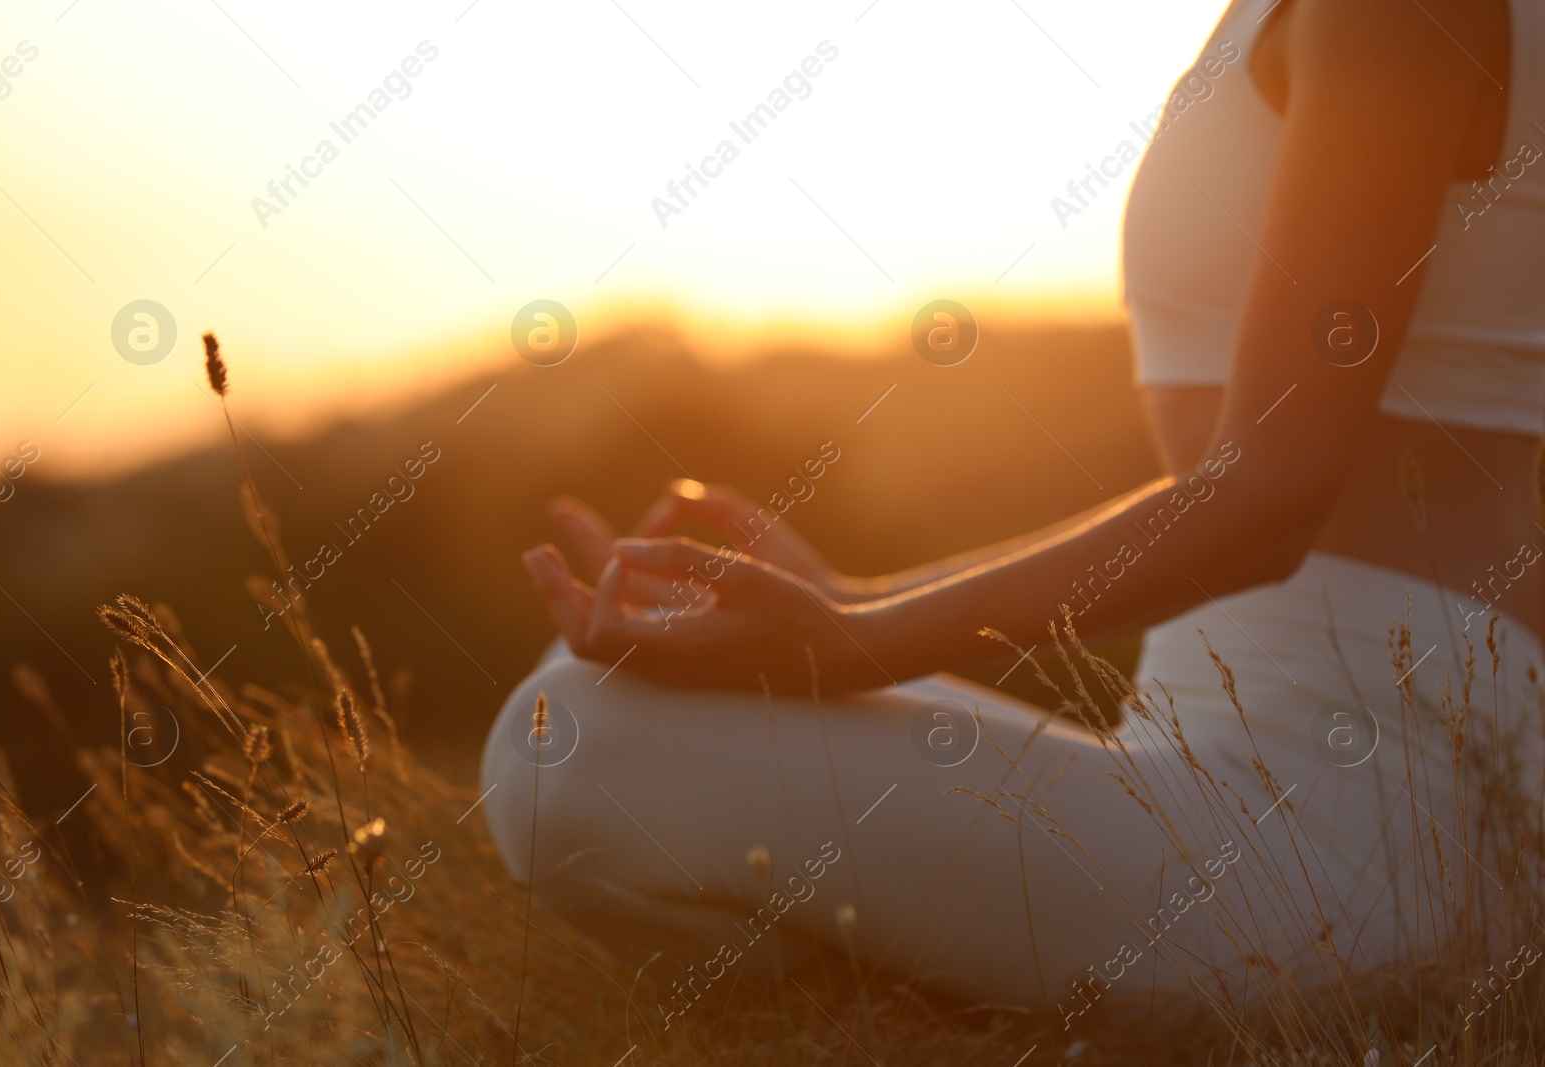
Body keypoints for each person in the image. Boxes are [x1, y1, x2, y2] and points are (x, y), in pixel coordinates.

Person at [484, 0, 1545, 1018]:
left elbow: (1268, 498)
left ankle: (903, 999)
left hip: (1373, 809)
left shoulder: (1394, 10)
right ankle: (940, 982)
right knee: (594, 679)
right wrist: (855, 596)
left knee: (576, 739)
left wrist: (856, 640)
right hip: (1235, 754)